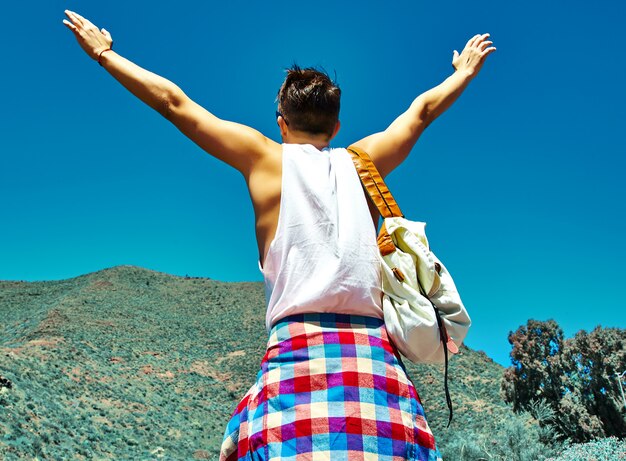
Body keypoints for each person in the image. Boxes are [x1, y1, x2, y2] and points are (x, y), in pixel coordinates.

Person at [63, 10, 495, 461]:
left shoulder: (264, 159)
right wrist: (463, 74)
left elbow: (175, 104)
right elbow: (421, 112)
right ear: (336, 128)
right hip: (374, 368)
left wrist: (104, 55)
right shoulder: (364, 161)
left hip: (294, 362)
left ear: (281, 121)